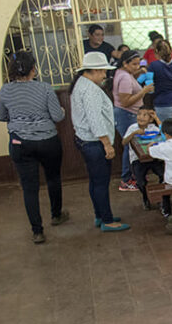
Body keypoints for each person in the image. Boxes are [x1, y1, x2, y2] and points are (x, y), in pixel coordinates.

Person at [0, 50, 68, 243]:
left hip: (20, 143)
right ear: (33, 69)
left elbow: (1, 116)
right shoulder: (44, 88)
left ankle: (37, 231)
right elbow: (57, 116)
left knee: (29, 188)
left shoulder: (5, 90)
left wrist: (19, 118)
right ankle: (56, 215)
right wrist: (60, 110)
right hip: (48, 141)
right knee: (53, 178)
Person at [70, 52, 130, 232]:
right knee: (101, 183)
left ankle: (100, 215)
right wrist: (107, 144)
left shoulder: (81, 84)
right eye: (103, 71)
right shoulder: (90, 90)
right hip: (95, 143)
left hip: (85, 140)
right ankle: (107, 221)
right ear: (94, 70)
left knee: (95, 181)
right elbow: (95, 120)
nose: (105, 75)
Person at [113, 50, 155, 192]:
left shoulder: (123, 73)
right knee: (129, 145)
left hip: (127, 114)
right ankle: (126, 179)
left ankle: (135, 175)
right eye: (134, 64)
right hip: (127, 114)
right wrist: (144, 91)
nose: (137, 67)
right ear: (125, 63)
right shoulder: (125, 77)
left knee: (131, 145)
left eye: (138, 64)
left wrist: (138, 73)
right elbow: (125, 102)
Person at [122, 106, 164, 211]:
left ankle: (162, 197)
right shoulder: (132, 127)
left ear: (150, 119)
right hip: (137, 159)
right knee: (140, 182)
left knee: (163, 175)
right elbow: (124, 142)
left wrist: (156, 118)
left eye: (145, 115)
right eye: (139, 114)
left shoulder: (153, 127)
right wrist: (134, 133)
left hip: (153, 158)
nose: (141, 117)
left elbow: (164, 134)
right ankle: (146, 198)